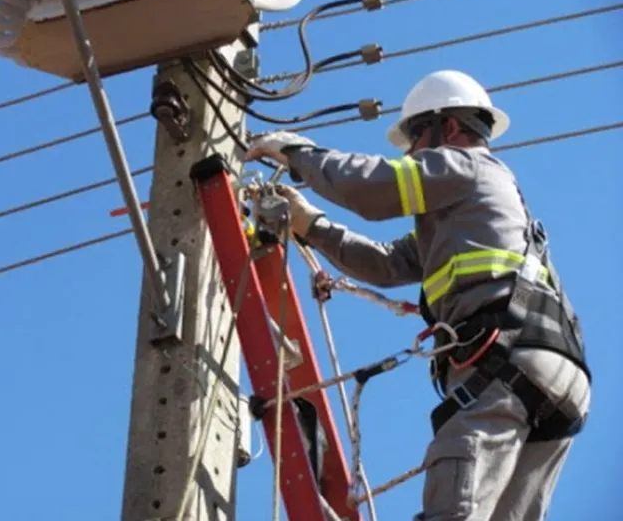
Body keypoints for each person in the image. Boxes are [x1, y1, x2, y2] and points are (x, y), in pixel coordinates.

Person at [244, 70, 592, 521]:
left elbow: (371, 186)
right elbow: (386, 264)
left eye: (414, 137)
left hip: (505, 363)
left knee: (454, 506)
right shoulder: (470, 214)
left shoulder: (466, 167)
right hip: (553, 373)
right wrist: (310, 223)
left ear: (446, 128)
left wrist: (297, 154)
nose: (410, 152)